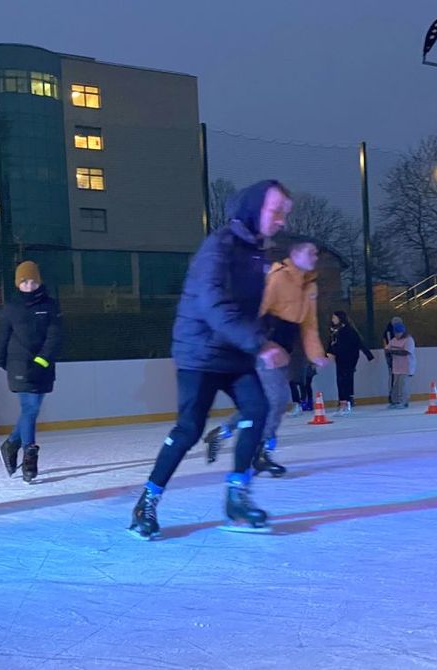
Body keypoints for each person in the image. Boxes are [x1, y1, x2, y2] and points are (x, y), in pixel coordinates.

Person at [129, 180, 293, 540]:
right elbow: (213, 304)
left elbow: (250, 309)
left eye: (285, 213)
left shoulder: (257, 254)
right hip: (200, 351)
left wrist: (265, 331)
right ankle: (147, 502)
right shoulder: (218, 247)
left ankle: (237, 498)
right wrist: (259, 344)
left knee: (257, 410)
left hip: (234, 352)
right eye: (276, 210)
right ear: (254, 207)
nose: (282, 220)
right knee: (189, 429)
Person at [201, 240, 330, 477]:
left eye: (316, 254)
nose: (315, 256)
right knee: (278, 399)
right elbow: (255, 310)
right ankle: (260, 453)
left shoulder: (310, 286)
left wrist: (316, 355)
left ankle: (222, 433)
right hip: (264, 349)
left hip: (283, 352)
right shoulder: (278, 278)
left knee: (263, 403)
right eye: (310, 252)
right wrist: (256, 344)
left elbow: (309, 326)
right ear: (296, 255)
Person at [0, 261, 63, 484]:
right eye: (24, 281)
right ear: (18, 284)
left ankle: (11, 443)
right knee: (30, 408)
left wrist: (42, 360)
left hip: (43, 365)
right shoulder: (12, 307)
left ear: (39, 281)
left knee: (31, 411)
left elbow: (55, 336)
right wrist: (0, 360)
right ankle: (29, 456)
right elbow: (2, 335)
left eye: (32, 281)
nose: (29, 285)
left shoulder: (51, 306)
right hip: (19, 363)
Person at [327, 310, 374, 413]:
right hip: (340, 358)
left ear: (340, 318)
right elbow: (332, 343)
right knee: (340, 379)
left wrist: (368, 355)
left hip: (349, 357)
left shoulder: (348, 330)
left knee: (345, 378)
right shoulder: (334, 330)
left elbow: (359, 342)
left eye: (334, 318)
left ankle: (346, 401)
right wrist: (329, 352)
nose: (333, 320)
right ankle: (342, 401)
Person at [386, 321, 417, 408]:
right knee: (395, 385)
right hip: (397, 367)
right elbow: (388, 349)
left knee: (403, 384)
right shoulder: (393, 340)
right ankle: (395, 401)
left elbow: (406, 352)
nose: (397, 335)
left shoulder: (409, 340)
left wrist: (393, 351)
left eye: (398, 333)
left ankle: (404, 401)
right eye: (395, 333)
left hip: (407, 367)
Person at [381, 316, 403, 391]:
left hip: (394, 355)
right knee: (394, 375)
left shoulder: (391, 332)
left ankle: (395, 393)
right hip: (392, 356)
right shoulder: (389, 332)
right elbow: (388, 345)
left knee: (396, 375)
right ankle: (393, 393)